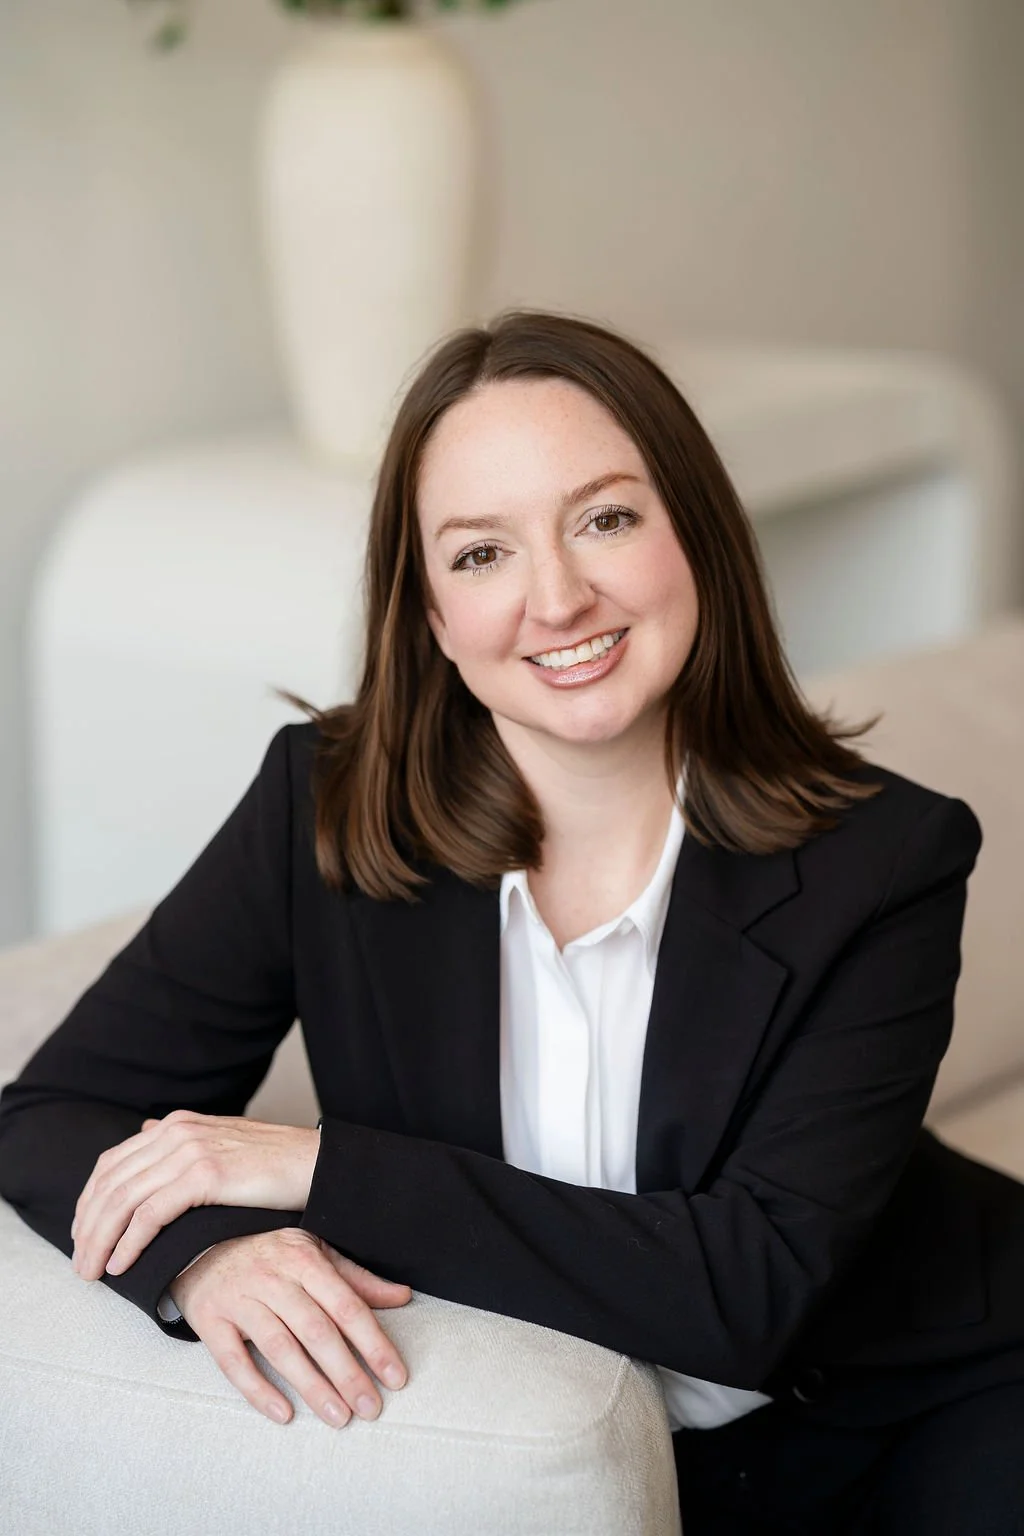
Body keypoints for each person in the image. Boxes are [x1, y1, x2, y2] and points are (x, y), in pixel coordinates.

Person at [2, 308, 1023, 1533]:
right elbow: (48, 1115)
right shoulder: (319, 808)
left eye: (605, 518)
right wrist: (207, 1251)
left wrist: (312, 1166)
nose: (557, 596)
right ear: (428, 610)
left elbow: (746, 1292)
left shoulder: (886, 856)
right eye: (481, 554)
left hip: (923, 1392)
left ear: (693, 534)